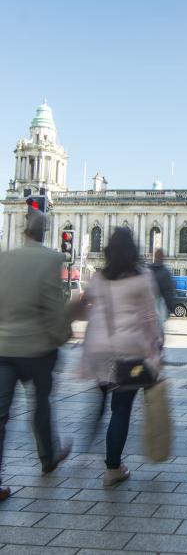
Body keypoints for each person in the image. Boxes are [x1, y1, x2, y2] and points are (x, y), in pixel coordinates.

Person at [79, 228, 162, 487]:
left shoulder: (98, 278)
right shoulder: (142, 277)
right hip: (128, 353)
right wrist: (157, 346)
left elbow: (83, 309)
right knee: (121, 411)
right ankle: (112, 468)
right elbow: (151, 318)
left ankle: (89, 437)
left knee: (103, 401)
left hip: (99, 351)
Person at [0, 211, 72, 501]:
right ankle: (48, 456)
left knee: (1, 415)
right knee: (41, 404)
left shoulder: (5, 259)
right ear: (45, 232)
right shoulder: (52, 259)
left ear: (23, 230)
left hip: (3, 348)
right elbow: (53, 306)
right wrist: (62, 336)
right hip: (37, 348)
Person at [149, 248, 175, 324]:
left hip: (149, 307)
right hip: (160, 306)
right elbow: (169, 293)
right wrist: (169, 310)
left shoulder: (148, 270)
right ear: (162, 258)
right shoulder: (166, 272)